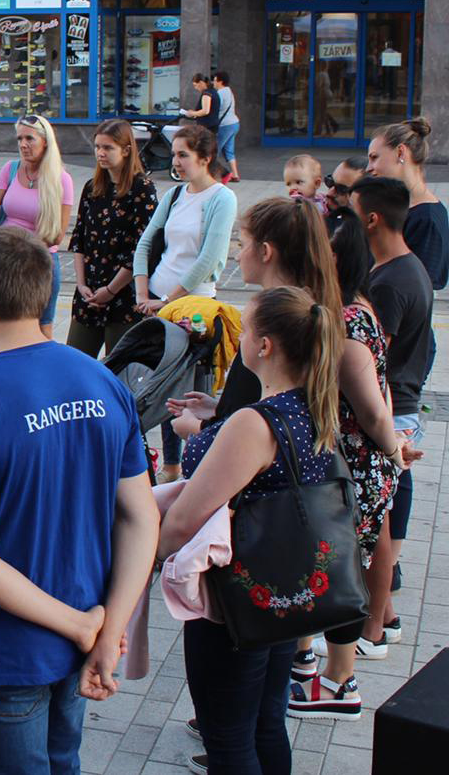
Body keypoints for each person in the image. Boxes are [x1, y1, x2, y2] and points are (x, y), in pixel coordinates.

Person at [0, 227, 160, 775]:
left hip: (7, 655)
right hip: (86, 642)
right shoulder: (101, 381)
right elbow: (142, 518)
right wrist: (108, 629)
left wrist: (80, 626)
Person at [168, 200, 398, 721]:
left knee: (236, 728)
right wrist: (216, 418)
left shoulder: (314, 327)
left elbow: (250, 448)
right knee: (267, 707)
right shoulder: (305, 326)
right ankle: (303, 671)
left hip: (271, 545)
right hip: (280, 536)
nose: (236, 255)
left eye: (241, 244)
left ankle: (337, 680)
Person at [161, 286, 344, 775]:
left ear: (265, 347)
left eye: (246, 328)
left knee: (229, 740)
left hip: (234, 605)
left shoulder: (255, 422)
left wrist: (134, 561)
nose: (239, 336)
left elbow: (183, 520)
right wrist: (214, 421)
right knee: (266, 724)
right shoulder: (314, 406)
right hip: (285, 596)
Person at [351, 175, 433, 656]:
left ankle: (372, 630)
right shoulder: (403, 269)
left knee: (375, 527)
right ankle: (384, 618)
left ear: (372, 219)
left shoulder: (391, 283)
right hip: (395, 409)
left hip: (389, 412)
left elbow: (372, 363)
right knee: (375, 524)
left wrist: (387, 433)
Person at [135, 125, 237, 481]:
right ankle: (167, 463)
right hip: (157, 304)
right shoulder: (175, 195)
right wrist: (141, 293)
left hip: (193, 306)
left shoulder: (221, 198)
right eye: (174, 154)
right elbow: (146, 243)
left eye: (183, 155)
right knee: (157, 382)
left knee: (188, 384)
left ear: (206, 159)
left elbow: (208, 259)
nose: (176, 162)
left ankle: (184, 464)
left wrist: (165, 301)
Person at [68, 120, 160, 360]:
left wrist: (110, 290)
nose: (100, 153)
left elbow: (143, 248)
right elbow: (79, 238)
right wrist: (81, 285)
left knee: (118, 369)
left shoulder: (143, 190)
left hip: (123, 297)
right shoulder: (92, 188)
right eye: (97, 146)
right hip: (88, 294)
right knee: (76, 362)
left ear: (126, 150)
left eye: (108, 148)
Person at [0, 113, 74, 337]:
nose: (23, 144)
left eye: (29, 139)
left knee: (41, 329)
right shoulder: (10, 169)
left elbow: (57, 235)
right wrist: (4, 248)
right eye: (19, 139)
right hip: (4, 260)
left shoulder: (61, 180)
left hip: (40, 263)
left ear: (45, 141)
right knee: (4, 328)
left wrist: (23, 252)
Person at [367, 117, 449, 292]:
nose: (369, 168)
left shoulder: (427, 218)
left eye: (374, 158)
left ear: (400, 153)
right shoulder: (394, 205)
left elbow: (417, 289)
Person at [163, 74, 218, 148]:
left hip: (207, 125)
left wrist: (192, 113)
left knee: (204, 147)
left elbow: (205, 111)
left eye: (196, 85)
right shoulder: (213, 91)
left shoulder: (206, 94)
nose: (195, 88)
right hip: (212, 125)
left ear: (201, 82)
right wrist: (195, 113)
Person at [211, 71, 241, 182]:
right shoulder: (229, 91)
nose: (213, 82)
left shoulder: (220, 93)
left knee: (214, 151)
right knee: (229, 151)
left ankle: (218, 175)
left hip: (225, 125)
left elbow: (215, 109)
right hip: (234, 124)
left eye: (214, 80)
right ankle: (235, 175)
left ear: (220, 81)